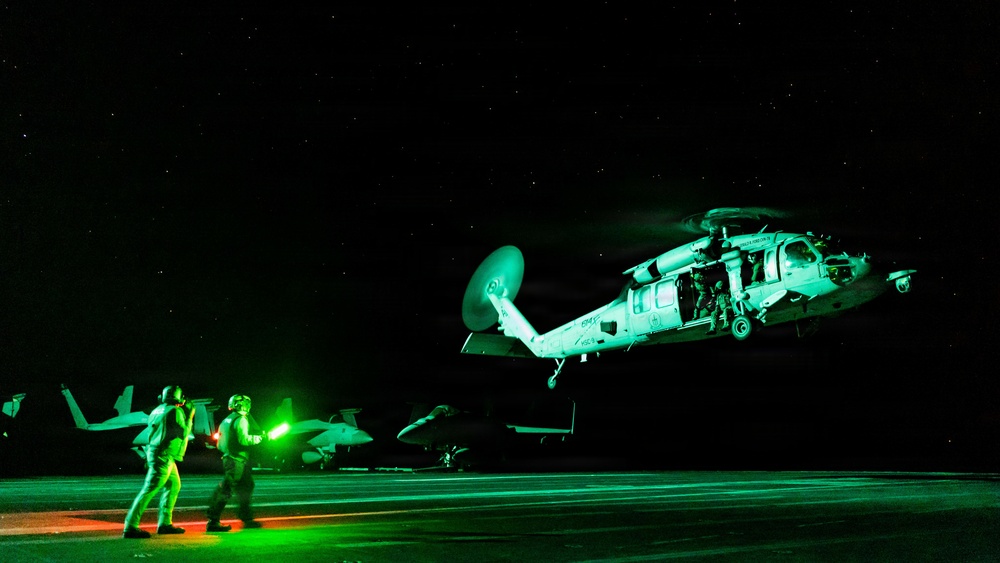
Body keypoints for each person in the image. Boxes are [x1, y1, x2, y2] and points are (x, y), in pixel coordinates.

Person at [123, 385, 196, 539]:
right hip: (164, 455)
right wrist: (190, 416)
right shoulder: (175, 411)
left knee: (174, 485)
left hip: (159, 453)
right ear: (179, 397)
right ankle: (130, 526)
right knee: (149, 489)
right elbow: (184, 433)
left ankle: (165, 524)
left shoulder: (156, 410)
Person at [206, 394, 267, 532]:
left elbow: (219, 443)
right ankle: (213, 521)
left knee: (246, 486)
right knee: (227, 489)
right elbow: (244, 440)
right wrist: (259, 438)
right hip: (236, 460)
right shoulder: (241, 419)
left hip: (230, 458)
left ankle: (247, 518)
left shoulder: (227, 419)